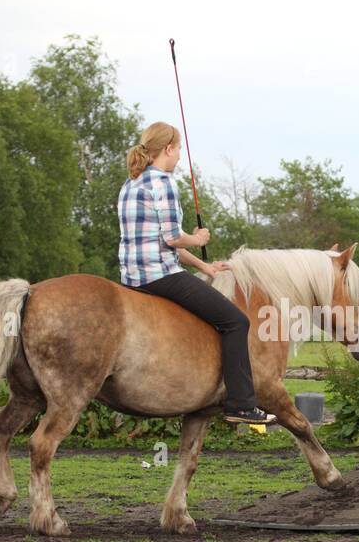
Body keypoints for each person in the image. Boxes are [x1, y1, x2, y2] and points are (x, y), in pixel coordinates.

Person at [117, 121, 275, 425]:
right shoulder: (163, 182)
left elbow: (158, 241)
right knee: (236, 321)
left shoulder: (130, 184)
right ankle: (241, 405)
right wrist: (198, 239)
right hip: (161, 277)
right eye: (178, 149)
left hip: (132, 278)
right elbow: (172, 238)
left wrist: (204, 266)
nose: (179, 156)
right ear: (167, 148)